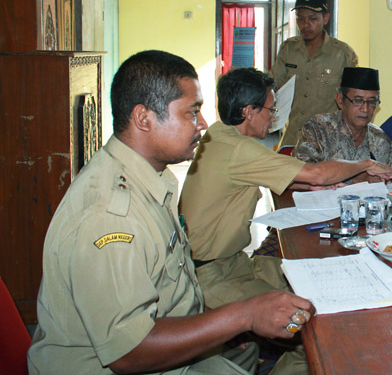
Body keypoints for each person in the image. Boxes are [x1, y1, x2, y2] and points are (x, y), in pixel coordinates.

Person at [28, 51, 315, 375]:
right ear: (144, 118)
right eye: (191, 113)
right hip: (119, 364)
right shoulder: (110, 215)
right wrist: (242, 316)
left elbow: (171, 284)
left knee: (252, 349)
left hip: (165, 327)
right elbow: (128, 353)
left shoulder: (152, 177)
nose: (203, 124)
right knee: (311, 340)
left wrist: (223, 324)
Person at [179, 67, 392, 311]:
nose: (274, 117)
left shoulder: (220, 137)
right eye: (271, 110)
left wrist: (315, 183)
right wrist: (365, 164)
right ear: (249, 112)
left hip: (231, 262)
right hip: (212, 274)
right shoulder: (241, 150)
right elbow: (317, 172)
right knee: (305, 307)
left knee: (312, 273)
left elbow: (298, 177)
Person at [273, 0, 358, 148]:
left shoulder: (343, 54)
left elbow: (353, 101)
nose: (305, 25)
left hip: (327, 141)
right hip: (293, 137)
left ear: (325, 18)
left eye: (312, 19)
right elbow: (275, 88)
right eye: (300, 19)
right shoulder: (288, 49)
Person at [293, 67, 392, 181]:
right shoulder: (318, 129)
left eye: (371, 102)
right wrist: (358, 178)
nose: (365, 109)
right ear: (340, 100)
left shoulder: (381, 140)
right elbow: (300, 176)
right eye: (358, 100)